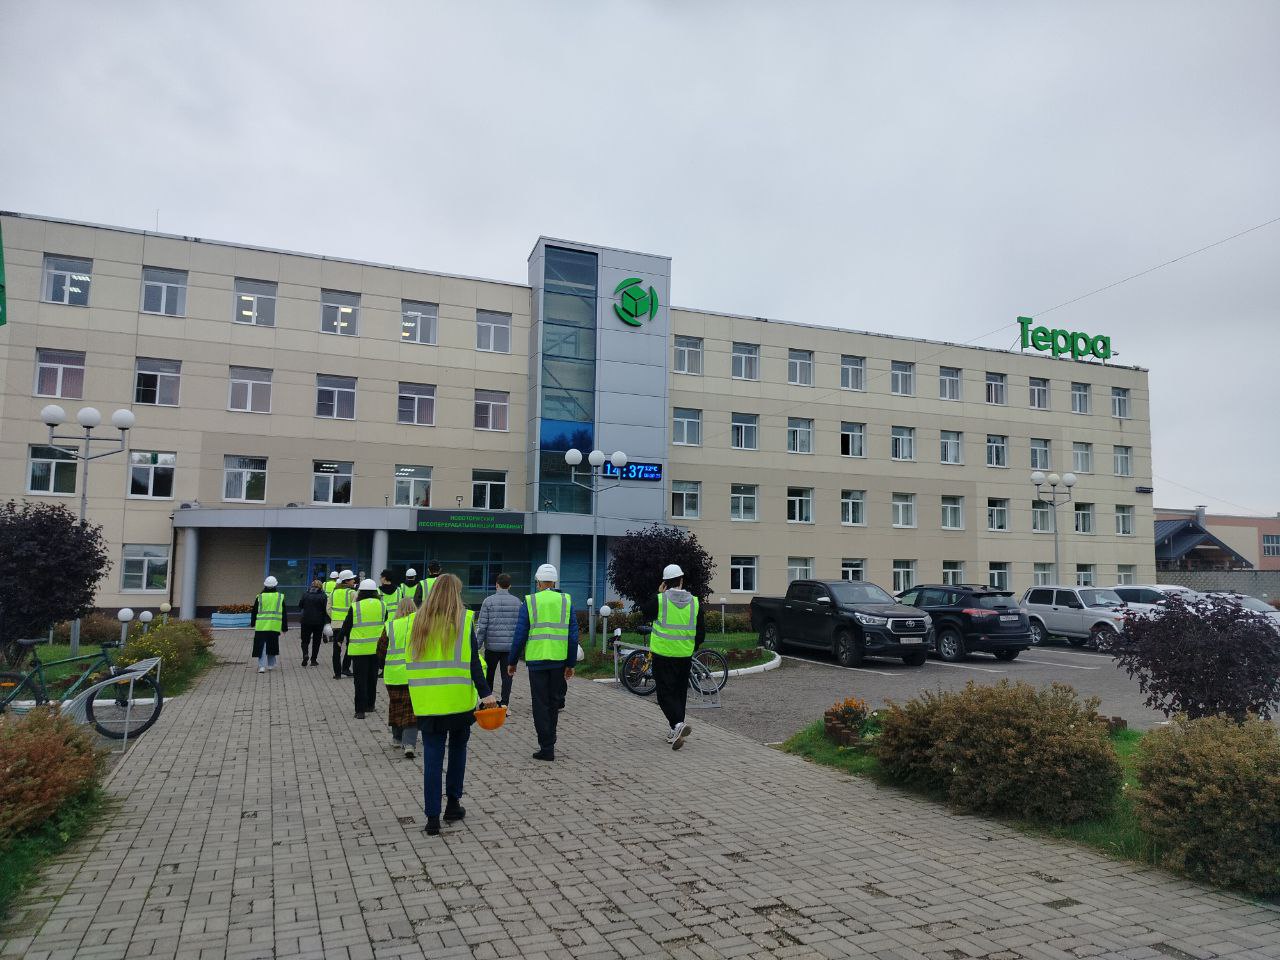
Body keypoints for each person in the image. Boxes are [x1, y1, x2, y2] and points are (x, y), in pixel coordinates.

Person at [405, 573, 496, 834]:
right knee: (457, 752)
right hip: (458, 703)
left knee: (432, 760)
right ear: (456, 593)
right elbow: (474, 663)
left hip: (427, 703)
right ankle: (453, 804)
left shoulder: (414, 621)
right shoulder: (464, 621)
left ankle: (432, 818)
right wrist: (486, 694)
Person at [507, 563, 577, 761]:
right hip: (558, 661)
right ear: (554, 582)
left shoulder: (530, 601)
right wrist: (571, 664)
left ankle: (546, 747)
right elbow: (573, 636)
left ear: (538, 582)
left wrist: (512, 661)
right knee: (554, 703)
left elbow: (520, 634)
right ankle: (550, 743)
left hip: (537, 661)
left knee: (540, 704)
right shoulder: (566, 601)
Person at [641, 563, 706, 750]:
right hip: (684, 655)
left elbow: (645, 612)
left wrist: (657, 593)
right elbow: (701, 632)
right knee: (679, 693)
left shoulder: (660, 600)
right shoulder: (695, 602)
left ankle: (677, 725)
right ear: (681, 580)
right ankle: (675, 729)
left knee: (664, 694)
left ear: (665, 583)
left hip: (663, 654)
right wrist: (692, 647)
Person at [475, 572, 521, 707]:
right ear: (510, 586)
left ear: (496, 585)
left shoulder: (488, 601)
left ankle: (487, 702)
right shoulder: (517, 602)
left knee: (489, 674)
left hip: (492, 647)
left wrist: (477, 646)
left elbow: (482, 627)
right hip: (510, 648)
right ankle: (505, 703)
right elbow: (520, 626)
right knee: (507, 676)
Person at [383, 596, 420, 758]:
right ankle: (409, 743)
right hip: (413, 674)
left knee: (395, 705)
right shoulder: (419, 626)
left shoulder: (390, 625)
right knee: (411, 709)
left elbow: (381, 649)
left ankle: (397, 738)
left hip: (392, 674)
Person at [344, 579, 384, 719]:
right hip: (376, 649)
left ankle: (360, 711)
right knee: (372, 678)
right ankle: (370, 705)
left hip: (359, 650)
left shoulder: (356, 607)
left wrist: (339, 639)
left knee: (360, 680)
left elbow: (347, 625)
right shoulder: (382, 605)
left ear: (360, 592)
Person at [250, 576, 289, 673]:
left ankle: (261, 666)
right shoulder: (280, 597)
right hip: (274, 626)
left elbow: (254, 611)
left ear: (265, 585)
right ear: (275, 585)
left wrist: (252, 623)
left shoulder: (260, 597)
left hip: (261, 626)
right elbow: (284, 613)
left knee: (261, 646)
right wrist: (284, 627)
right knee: (272, 644)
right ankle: (271, 665)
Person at [329, 569, 357, 679]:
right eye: (352, 579)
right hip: (349, 626)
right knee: (350, 647)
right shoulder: (352, 593)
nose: (354, 581)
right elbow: (355, 609)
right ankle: (345, 668)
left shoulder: (333, 593)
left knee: (336, 649)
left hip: (336, 625)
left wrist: (335, 618)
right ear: (346, 581)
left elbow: (328, 608)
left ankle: (337, 674)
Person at [297, 579, 328, 666]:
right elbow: (325, 609)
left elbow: (300, 605)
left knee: (305, 640)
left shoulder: (305, 594)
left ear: (311, 586)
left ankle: (305, 654)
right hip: (319, 622)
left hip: (306, 620)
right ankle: (313, 660)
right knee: (316, 641)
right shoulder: (323, 596)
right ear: (321, 587)